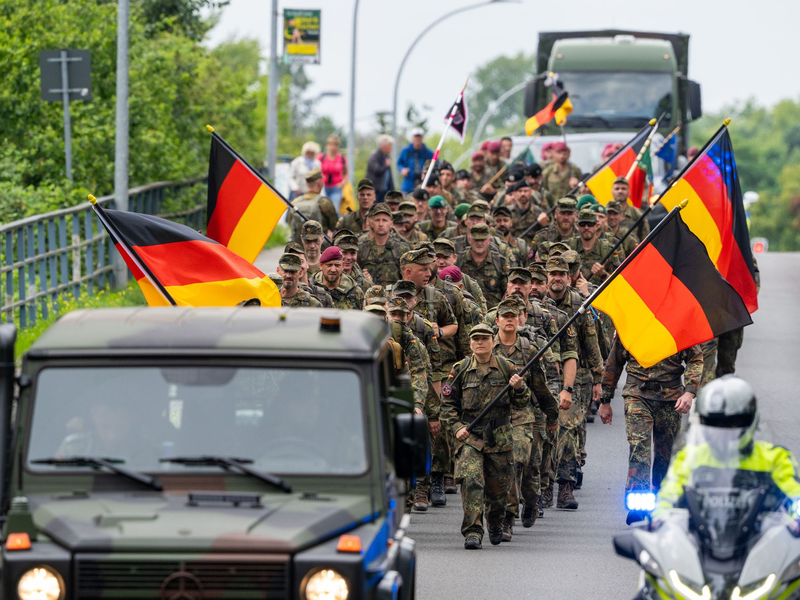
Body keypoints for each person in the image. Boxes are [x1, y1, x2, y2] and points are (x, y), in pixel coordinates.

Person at [654, 376, 800, 518]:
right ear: (703, 424)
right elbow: (667, 496)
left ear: (750, 421)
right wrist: (660, 518)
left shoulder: (775, 458)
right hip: (700, 539)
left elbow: (796, 495)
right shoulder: (689, 457)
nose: (724, 432)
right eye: (715, 424)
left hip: (762, 539)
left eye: (734, 423)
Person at [440, 323, 531, 549]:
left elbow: (523, 402)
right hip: (470, 436)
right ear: (470, 343)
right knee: (471, 480)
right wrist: (456, 427)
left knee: (499, 489)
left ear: (493, 341)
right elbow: (447, 405)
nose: (480, 342)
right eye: (475, 339)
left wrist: (519, 388)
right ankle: (473, 530)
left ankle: (496, 521)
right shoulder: (460, 369)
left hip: (499, 437)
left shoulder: (506, 367)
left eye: (484, 338)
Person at [599, 337, 703, 524]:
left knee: (666, 454)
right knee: (639, 446)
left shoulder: (679, 327)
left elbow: (695, 359)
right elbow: (613, 363)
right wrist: (605, 400)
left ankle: (660, 501)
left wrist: (690, 391)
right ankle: (638, 501)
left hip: (670, 398)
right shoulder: (632, 325)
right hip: (637, 394)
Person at [493, 298, 558, 539]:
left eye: (514, 315)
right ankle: (507, 518)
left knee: (529, 469)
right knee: (509, 465)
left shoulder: (529, 349)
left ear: (520, 318)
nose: (509, 320)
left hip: (523, 415)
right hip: (497, 416)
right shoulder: (488, 347)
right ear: (497, 319)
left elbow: (540, 388)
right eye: (505, 316)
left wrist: (552, 415)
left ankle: (531, 502)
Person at [545, 256, 602, 510]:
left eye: (562, 274)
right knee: (547, 430)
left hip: (576, 377)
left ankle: (565, 487)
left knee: (567, 428)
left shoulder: (580, 304)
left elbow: (592, 345)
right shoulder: (538, 305)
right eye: (553, 273)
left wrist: (599, 382)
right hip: (545, 376)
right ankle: (544, 486)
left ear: (570, 278)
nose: (557, 278)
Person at [456, 223, 509, 308]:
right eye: (476, 240)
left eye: (482, 240)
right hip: (467, 313)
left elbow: (507, 291)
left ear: (489, 240)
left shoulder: (499, 261)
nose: (479, 243)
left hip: (494, 314)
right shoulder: (459, 260)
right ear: (469, 240)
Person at [358, 204, 411, 287]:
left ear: (391, 224)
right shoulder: (362, 249)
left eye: (385, 220)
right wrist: (363, 279)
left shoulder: (401, 249)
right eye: (377, 220)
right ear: (371, 223)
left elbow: (408, 279)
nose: (381, 224)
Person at [568, 208, 624, 285]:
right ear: (578, 225)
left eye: (590, 224)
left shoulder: (608, 250)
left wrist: (603, 274)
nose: (586, 227)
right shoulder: (568, 247)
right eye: (583, 224)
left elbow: (619, 284)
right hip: (574, 295)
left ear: (596, 226)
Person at [288, 169, 338, 243]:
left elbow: (290, 222)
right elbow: (334, 225)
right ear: (319, 183)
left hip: (298, 248)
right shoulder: (324, 202)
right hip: (318, 248)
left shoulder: (295, 202)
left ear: (307, 184)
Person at [611, 176, 650, 240]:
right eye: (617, 189)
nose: (620, 191)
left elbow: (646, 239)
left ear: (629, 192)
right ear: (612, 192)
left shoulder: (637, 215)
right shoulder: (605, 214)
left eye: (623, 189)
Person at [318, 134, 348, 212]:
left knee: (334, 209)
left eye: (335, 145)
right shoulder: (321, 157)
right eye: (331, 144)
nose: (333, 147)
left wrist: (343, 183)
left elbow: (346, 173)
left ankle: (333, 224)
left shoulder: (341, 158)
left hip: (336, 188)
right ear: (327, 145)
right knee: (322, 209)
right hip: (323, 187)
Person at [398, 128, 433, 193]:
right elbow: (399, 163)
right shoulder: (406, 151)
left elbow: (435, 164)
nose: (417, 139)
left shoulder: (428, 152)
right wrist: (402, 170)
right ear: (412, 138)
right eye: (416, 137)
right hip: (408, 185)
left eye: (419, 137)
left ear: (422, 138)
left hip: (423, 184)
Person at [366, 134, 394, 202]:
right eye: (390, 145)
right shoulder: (374, 156)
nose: (391, 148)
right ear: (384, 146)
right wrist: (385, 165)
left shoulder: (386, 156)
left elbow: (389, 176)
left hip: (385, 190)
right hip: (376, 191)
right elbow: (376, 170)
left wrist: (392, 189)